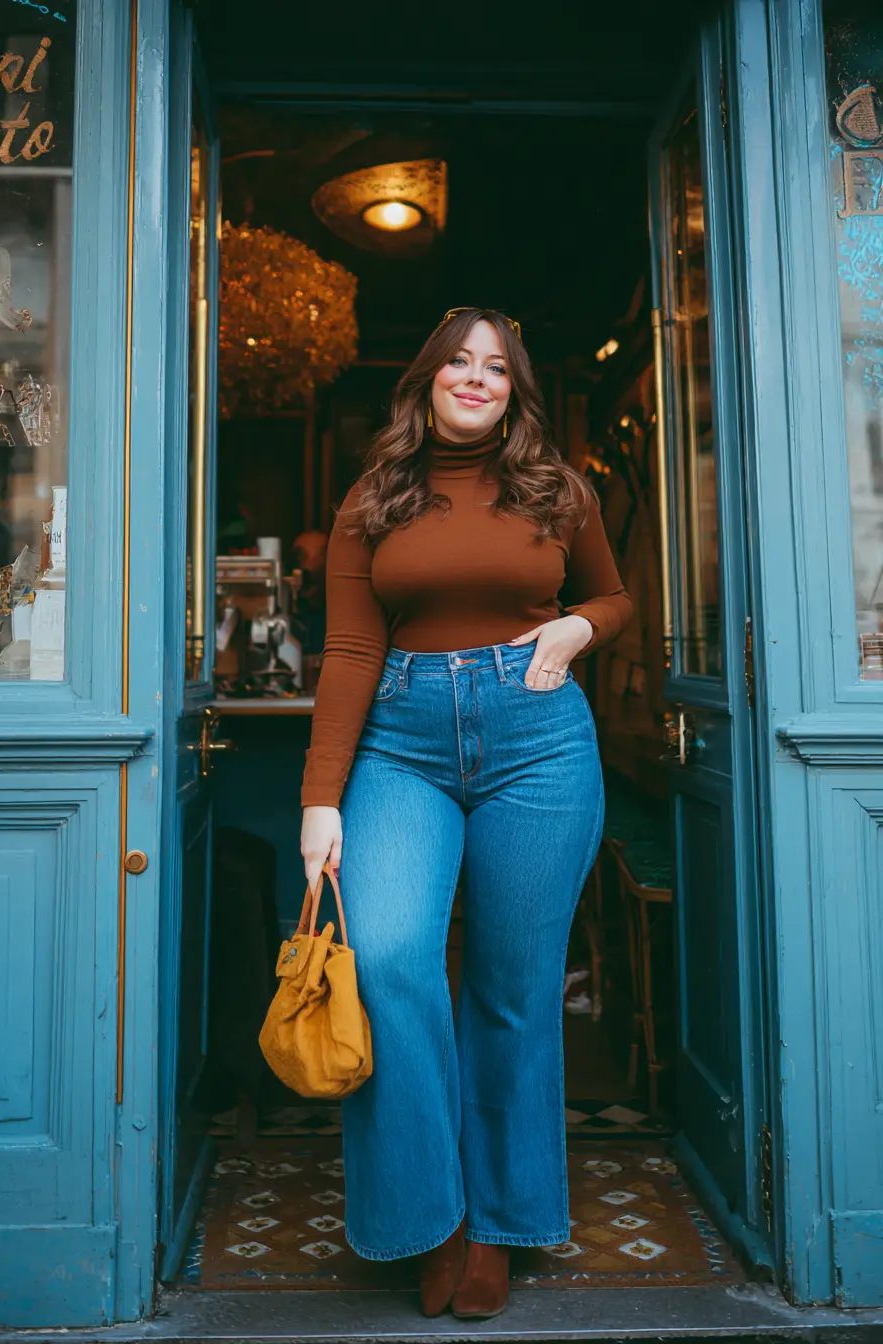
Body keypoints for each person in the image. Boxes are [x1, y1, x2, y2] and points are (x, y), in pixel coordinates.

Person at [300, 308, 632, 1318]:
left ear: (512, 388)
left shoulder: (555, 487)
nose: (476, 378)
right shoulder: (376, 496)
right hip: (401, 741)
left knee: (514, 984)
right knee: (393, 956)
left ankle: (498, 1226)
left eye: (495, 367)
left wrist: (576, 626)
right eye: (459, 364)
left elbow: (616, 600)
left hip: (537, 742)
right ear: (426, 381)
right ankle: (425, 1218)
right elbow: (351, 653)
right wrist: (321, 799)